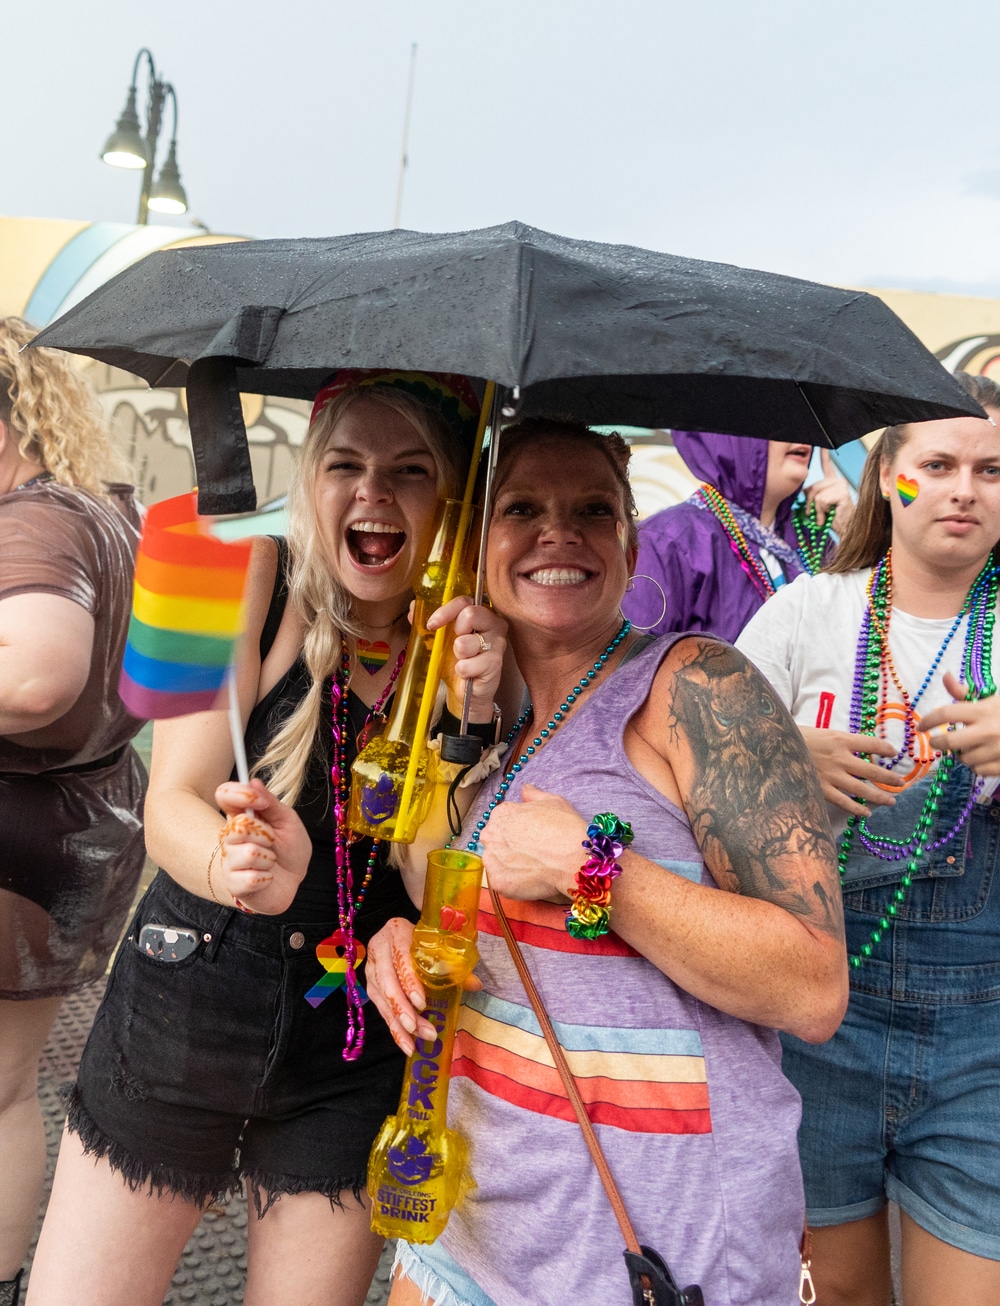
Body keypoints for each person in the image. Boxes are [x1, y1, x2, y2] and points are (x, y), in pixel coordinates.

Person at [27, 370, 509, 1306]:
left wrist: (467, 721)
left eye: (411, 471)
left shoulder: (477, 648)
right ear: (311, 476)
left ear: (451, 495)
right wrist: (230, 861)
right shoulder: (244, 570)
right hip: (186, 1001)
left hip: (350, 1048)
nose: (374, 492)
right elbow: (169, 800)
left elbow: (424, 874)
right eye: (348, 464)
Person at [365, 416, 848, 1306]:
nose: (559, 531)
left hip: (654, 1251)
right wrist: (405, 941)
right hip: (470, 1232)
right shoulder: (482, 716)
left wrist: (596, 867)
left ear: (632, 545)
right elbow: (464, 896)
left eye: (593, 507)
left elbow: (812, 986)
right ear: (479, 548)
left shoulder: (700, 686)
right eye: (522, 507)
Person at [735, 371, 1000, 1305]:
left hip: (987, 1037)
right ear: (891, 476)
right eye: (939, 464)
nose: (965, 488)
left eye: (994, 469)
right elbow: (690, 788)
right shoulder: (809, 611)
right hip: (819, 1019)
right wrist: (779, 758)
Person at [0, 317, 144, 1306]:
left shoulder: (33, 519)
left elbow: (33, 676)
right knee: (9, 1088)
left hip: (19, 836)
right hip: (82, 831)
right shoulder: (98, 508)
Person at [623, 430, 855, 641]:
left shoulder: (815, 541)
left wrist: (853, 531)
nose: (799, 432)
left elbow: (867, 641)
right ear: (730, 433)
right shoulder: (668, 541)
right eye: (777, 417)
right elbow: (634, 670)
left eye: (800, 420)